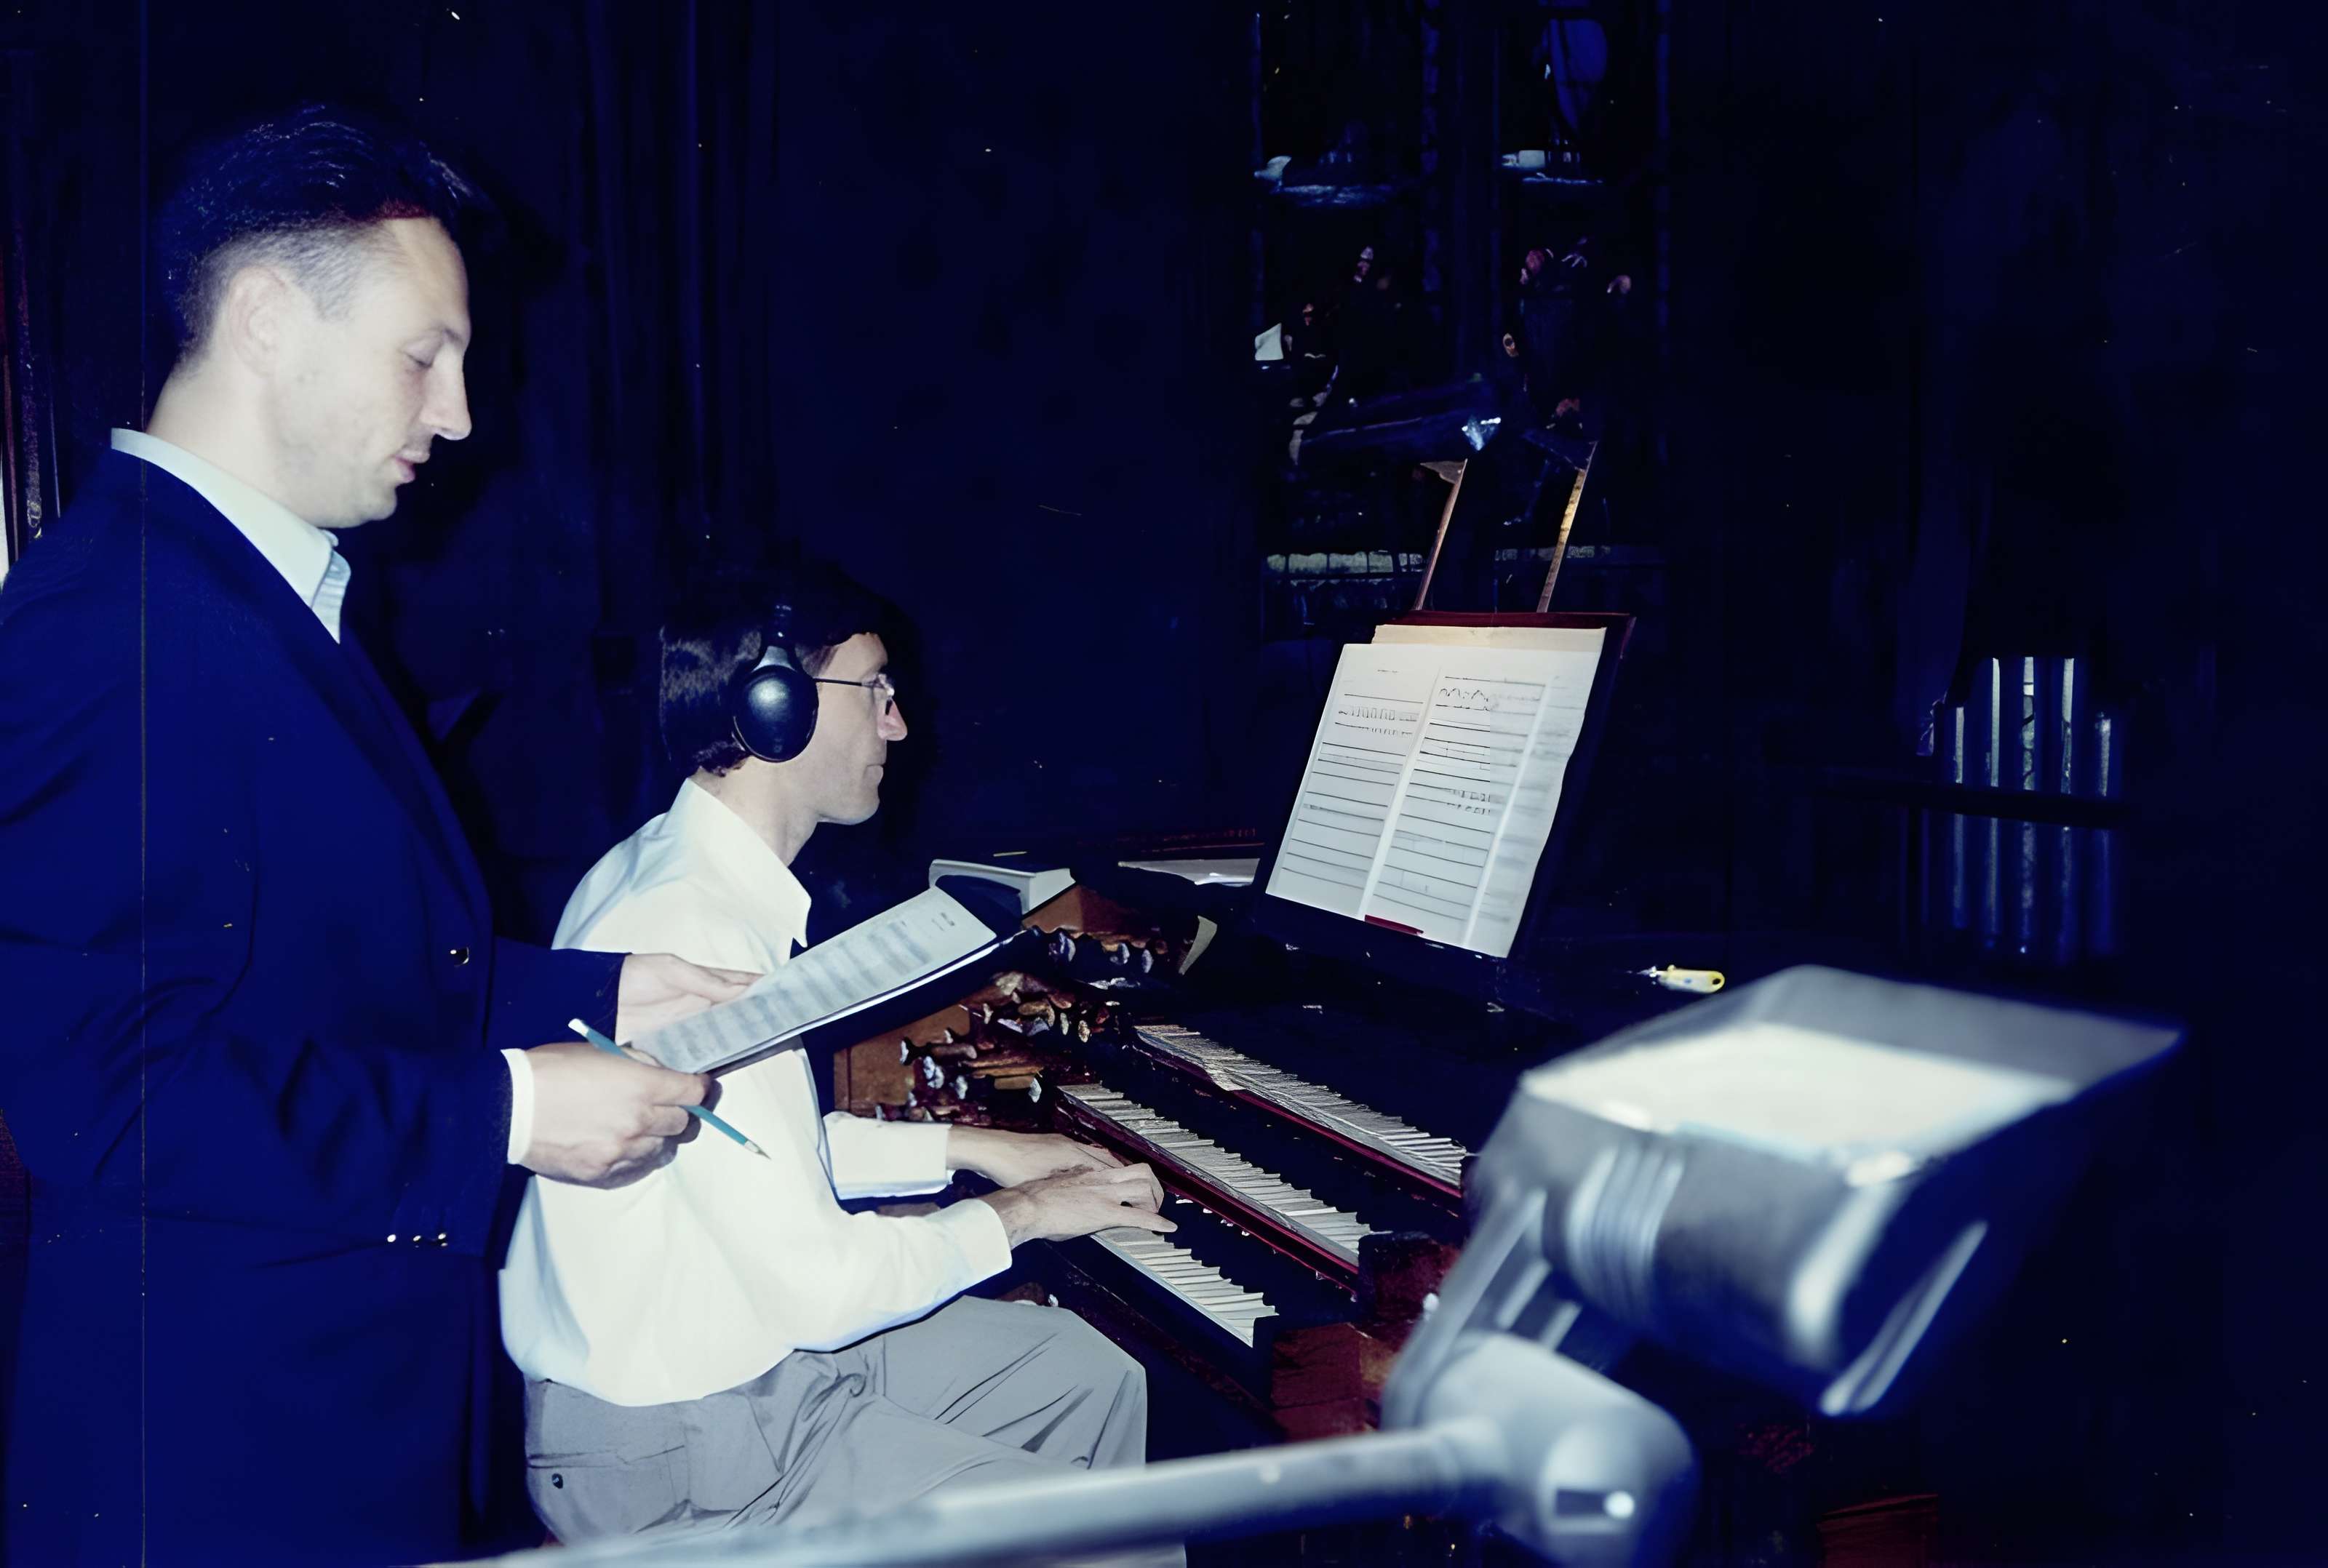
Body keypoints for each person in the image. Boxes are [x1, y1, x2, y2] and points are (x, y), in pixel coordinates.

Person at [0, 105, 749, 1566]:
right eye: (426, 353)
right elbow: (106, 1091)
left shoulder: (243, 591)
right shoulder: (115, 625)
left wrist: (588, 993)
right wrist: (512, 1112)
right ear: (270, 319)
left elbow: (303, 962)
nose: (460, 413)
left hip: (318, 1420)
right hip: (217, 1469)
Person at [502, 562, 1182, 1552]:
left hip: (744, 1372)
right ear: (775, 709)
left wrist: (970, 1148)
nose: (897, 726)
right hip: (686, 1452)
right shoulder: (691, 924)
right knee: (1116, 1530)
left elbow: (739, 1144)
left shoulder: (673, 867)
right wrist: (1027, 1212)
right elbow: (823, 1290)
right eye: (876, 689)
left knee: (1087, 1376)